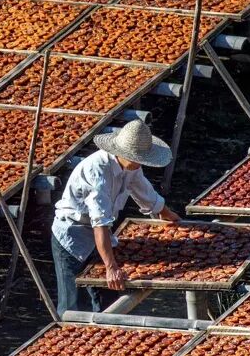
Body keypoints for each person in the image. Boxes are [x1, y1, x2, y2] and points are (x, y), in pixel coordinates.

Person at [51, 120, 181, 315]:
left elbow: (144, 191)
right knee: (70, 302)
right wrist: (111, 267)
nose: (138, 163)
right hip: (72, 234)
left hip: (100, 236)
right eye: (135, 158)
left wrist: (169, 215)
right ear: (120, 152)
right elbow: (100, 223)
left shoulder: (132, 167)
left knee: (108, 296)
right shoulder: (97, 171)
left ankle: (103, 329)